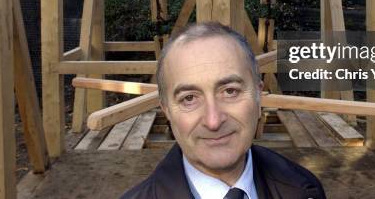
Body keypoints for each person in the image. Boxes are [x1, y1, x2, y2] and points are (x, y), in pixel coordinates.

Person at [120, 22, 326, 199]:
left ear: (258, 96)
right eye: (189, 98)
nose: (213, 121)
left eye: (230, 91)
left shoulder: (305, 188)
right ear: (166, 110)